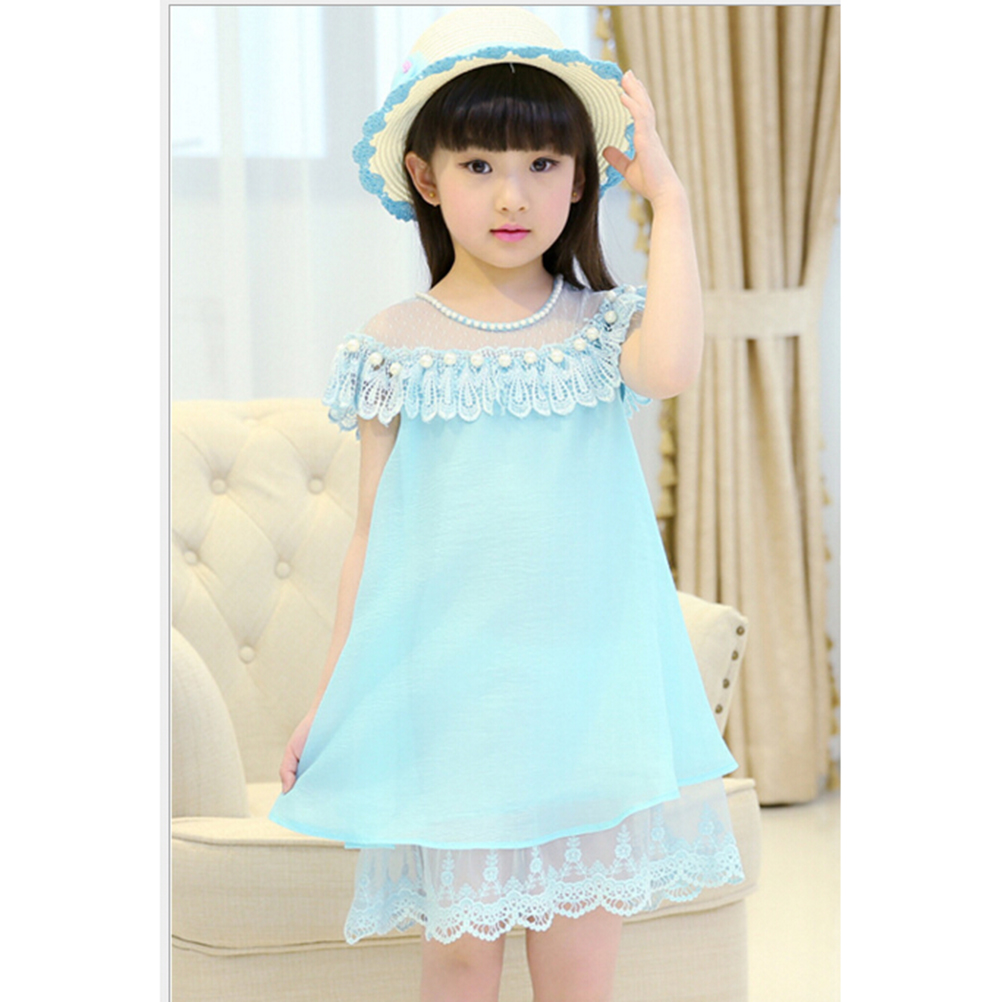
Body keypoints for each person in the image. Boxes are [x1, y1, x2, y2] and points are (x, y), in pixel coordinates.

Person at [268, 8, 745, 1002]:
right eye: (479, 164)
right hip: (456, 703)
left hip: (584, 699)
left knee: (578, 967)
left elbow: (673, 367)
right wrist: (330, 696)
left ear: (581, 178)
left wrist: (670, 198)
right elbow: (371, 535)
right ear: (425, 176)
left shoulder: (601, 329)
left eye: (542, 163)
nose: (513, 194)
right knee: (459, 958)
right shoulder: (395, 343)